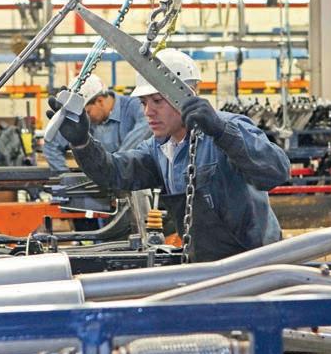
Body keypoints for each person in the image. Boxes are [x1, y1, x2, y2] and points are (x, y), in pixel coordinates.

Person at [47, 49, 291, 262]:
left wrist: (222, 132)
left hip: (257, 263)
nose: (148, 112)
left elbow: (276, 172)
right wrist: (82, 143)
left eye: (157, 101)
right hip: (207, 265)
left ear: (188, 94)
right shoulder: (158, 149)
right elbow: (113, 171)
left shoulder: (228, 128)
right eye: (143, 102)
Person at [43, 74, 150, 173]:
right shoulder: (84, 121)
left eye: (88, 112)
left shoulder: (136, 106)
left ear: (100, 101)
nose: (85, 118)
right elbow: (51, 144)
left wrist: (117, 164)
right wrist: (64, 175)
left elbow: (146, 125)